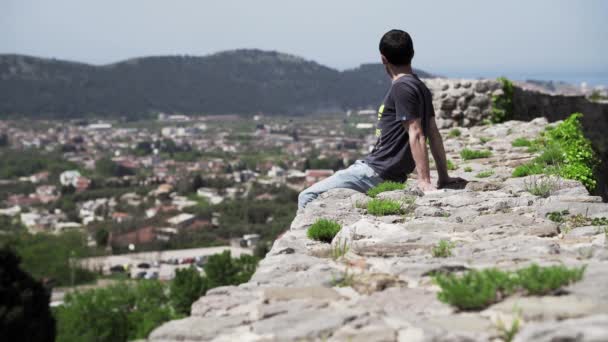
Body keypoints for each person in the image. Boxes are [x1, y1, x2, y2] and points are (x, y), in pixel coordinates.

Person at [298, 29, 464, 209]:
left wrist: (424, 181)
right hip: (383, 171)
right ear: (412, 54)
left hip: (376, 172)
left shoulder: (402, 87)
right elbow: (434, 133)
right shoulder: (420, 86)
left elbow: (416, 132)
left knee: (307, 195)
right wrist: (443, 176)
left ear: (383, 59)